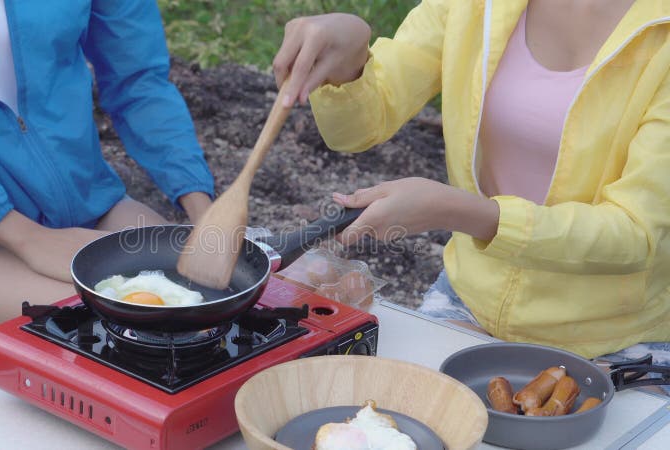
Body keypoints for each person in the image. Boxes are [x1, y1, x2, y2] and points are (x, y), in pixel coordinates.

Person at [272, 0, 670, 364]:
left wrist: (457, 211)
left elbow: (634, 232)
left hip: (618, 338)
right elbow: (357, 128)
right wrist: (349, 59)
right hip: (470, 299)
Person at [0, 1, 214, 340]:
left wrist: (205, 213)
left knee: (209, 298)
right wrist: (30, 239)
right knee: (129, 333)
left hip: (85, 205)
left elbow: (138, 83)